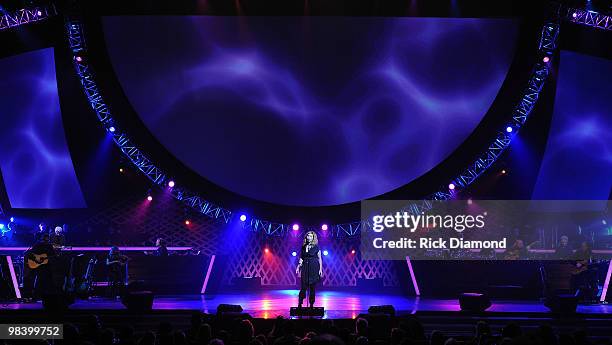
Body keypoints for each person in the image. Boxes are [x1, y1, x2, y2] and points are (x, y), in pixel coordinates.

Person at [295, 231, 323, 308]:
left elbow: (320, 258)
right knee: (303, 286)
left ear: (313, 238)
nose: (309, 237)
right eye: (308, 236)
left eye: (311, 236)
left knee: (312, 287)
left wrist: (320, 269)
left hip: (314, 266)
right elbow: (301, 258)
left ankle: (311, 304)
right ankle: (300, 302)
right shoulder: (303, 247)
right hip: (305, 267)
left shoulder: (316, 247)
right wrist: (298, 267)